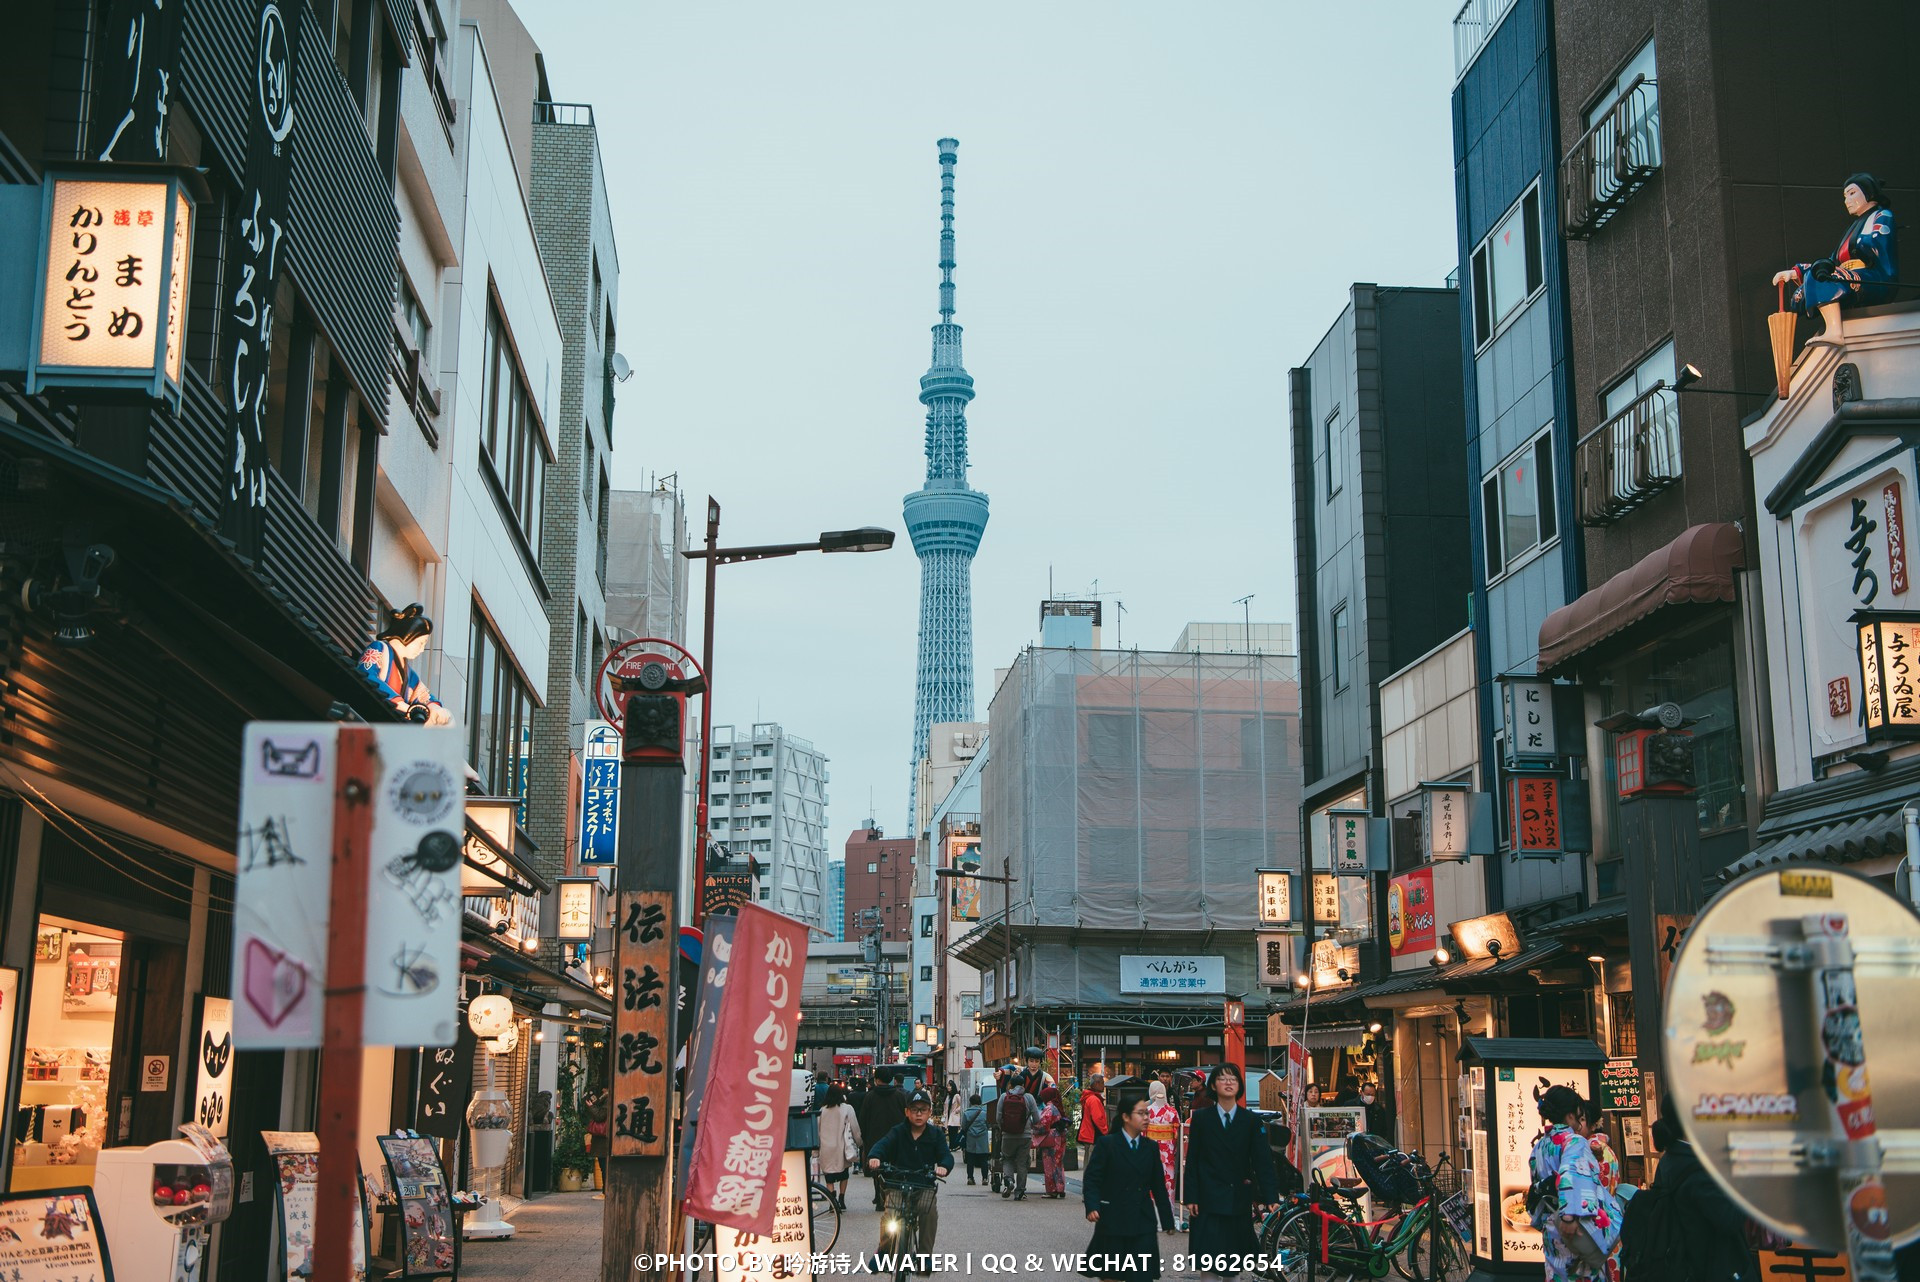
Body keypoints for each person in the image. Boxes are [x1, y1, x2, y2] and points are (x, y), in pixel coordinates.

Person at [1619, 1098, 1759, 1282]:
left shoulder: (1670, 1159)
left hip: (1682, 1266)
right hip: (1712, 1268)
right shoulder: (1697, 1170)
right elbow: (1730, 1220)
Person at [1182, 1063, 1278, 1278]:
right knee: (1208, 1263)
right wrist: (1191, 1196)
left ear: (1239, 1086)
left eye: (1233, 1079)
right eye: (1222, 1078)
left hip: (1237, 1199)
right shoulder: (1201, 1119)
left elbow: (1263, 1161)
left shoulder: (1251, 1120)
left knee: (1232, 1265)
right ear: (1213, 1086)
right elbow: (1193, 1160)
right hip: (1207, 1198)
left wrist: (1271, 1195)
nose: (1228, 1082)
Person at [1773, 174, 1899, 334]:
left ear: (1869, 191)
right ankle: (1834, 326)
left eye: (1852, 193)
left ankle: (1834, 331)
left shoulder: (1882, 215)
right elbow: (1831, 262)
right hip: (1851, 274)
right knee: (1816, 279)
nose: (1847, 201)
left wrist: (1858, 245)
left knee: (1824, 280)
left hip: (1876, 277)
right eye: (1845, 196)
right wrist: (1796, 271)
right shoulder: (1855, 226)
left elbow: (1878, 245)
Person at [1528, 1086, 1621, 1282]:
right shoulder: (1574, 1141)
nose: (1580, 1120)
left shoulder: (1540, 1145)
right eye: (1579, 1115)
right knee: (1582, 1273)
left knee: (1557, 1275)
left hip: (1552, 1227)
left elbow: (1537, 1185)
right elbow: (1572, 1174)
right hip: (1576, 1227)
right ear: (1570, 1115)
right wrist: (1570, 1216)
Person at [1081, 1093, 1177, 1282]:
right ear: (1125, 1117)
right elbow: (1092, 1179)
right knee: (1111, 1276)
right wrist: (1092, 1206)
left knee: (1141, 1276)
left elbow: (1158, 1186)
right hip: (1112, 1219)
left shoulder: (1150, 1147)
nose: (1146, 1118)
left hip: (1142, 1220)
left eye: (1147, 1113)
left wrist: (1167, 1220)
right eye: (1140, 1113)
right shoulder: (1107, 1144)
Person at [867, 1088, 953, 1269]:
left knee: (928, 1212)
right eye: (914, 1109)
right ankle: (884, 1251)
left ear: (930, 1112)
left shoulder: (935, 1134)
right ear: (906, 1112)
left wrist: (944, 1166)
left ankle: (924, 1256)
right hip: (897, 1183)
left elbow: (946, 1156)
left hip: (924, 1185)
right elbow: (882, 1145)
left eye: (923, 1109)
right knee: (890, 1214)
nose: (919, 1114)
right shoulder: (897, 1132)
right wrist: (875, 1157)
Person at [860, 1068, 909, 1210]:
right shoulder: (900, 1097)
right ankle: (892, 1196)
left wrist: (865, 1138)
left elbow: (862, 1120)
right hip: (896, 1139)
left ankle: (879, 1196)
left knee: (877, 1170)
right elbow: (907, 1117)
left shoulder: (870, 1097)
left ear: (877, 1079)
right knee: (894, 1168)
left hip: (875, 1140)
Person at [1143, 1080, 1183, 1228]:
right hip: (1168, 1154)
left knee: (1152, 1185)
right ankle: (1167, 1219)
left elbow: (1143, 1134)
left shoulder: (1147, 1111)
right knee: (1168, 1187)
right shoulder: (1172, 1112)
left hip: (1150, 1153)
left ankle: (1152, 1219)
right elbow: (1176, 1135)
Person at [817, 1084, 863, 1211]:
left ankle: (832, 1201)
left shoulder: (822, 1110)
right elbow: (855, 1127)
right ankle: (841, 1198)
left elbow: (817, 1130)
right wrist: (859, 1142)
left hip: (826, 1147)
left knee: (829, 1177)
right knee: (844, 1174)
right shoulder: (847, 1108)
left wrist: (815, 1151)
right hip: (842, 1147)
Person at [998, 1078, 1033, 1200]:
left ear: (1010, 1085)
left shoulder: (1004, 1096)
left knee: (1007, 1158)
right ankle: (1020, 1192)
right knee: (1022, 1163)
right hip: (1025, 1135)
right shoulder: (1029, 1097)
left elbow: (998, 1116)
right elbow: (1037, 1118)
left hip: (1007, 1135)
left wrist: (1002, 1128)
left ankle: (1009, 1180)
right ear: (1023, 1085)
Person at [1033, 1084, 1068, 1198]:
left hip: (1052, 1139)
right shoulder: (1058, 1107)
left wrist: (1033, 1128)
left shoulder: (1049, 1108)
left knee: (1049, 1164)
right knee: (1058, 1163)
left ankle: (1052, 1190)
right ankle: (1060, 1188)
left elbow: (1043, 1124)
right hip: (1060, 1137)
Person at [1079, 1072, 1111, 1170]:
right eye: (1102, 1082)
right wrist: (1106, 1133)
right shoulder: (1094, 1099)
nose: (1103, 1085)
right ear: (1096, 1083)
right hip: (1094, 1136)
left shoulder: (1089, 1097)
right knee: (1093, 1165)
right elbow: (1098, 1119)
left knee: (1088, 1164)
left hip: (1089, 1135)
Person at [960, 1091, 993, 1185]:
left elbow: (964, 1127)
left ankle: (970, 1178)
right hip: (982, 1139)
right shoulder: (984, 1113)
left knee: (970, 1159)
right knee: (983, 1160)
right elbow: (988, 1125)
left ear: (971, 1102)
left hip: (971, 1139)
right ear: (980, 1102)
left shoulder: (966, 1113)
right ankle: (985, 1178)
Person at [942, 1079, 966, 1146]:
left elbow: (962, 1104)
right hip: (948, 1116)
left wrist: (957, 1111)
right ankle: (952, 1145)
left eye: (950, 1086)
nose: (948, 1087)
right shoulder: (948, 1096)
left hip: (954, 1117)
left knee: (954, 1132)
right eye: (947, 1086)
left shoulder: (956, 1096)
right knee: (950, 1132)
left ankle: (954, 1145)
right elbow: (945, 1107)